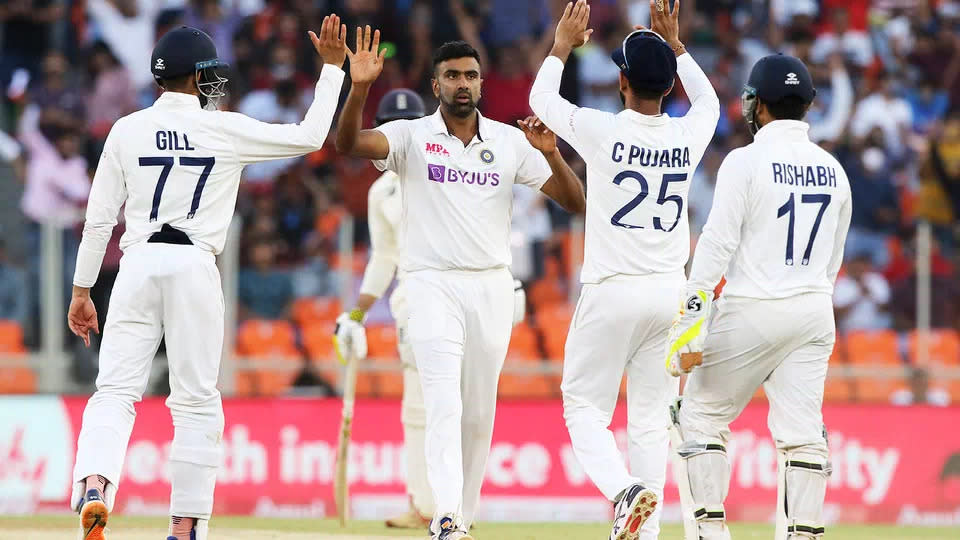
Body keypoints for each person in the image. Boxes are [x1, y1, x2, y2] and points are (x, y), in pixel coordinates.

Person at [66, 19, 350, 540]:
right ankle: (185, 523)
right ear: (197, 78)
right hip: (195, 265)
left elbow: (98, 220)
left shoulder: (125, 130)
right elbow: (311, 137)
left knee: (114, 392)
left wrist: (83, 290)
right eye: (210, 75)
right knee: (195, 401)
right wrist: (332, 69)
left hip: (138, 264)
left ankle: (95, 486)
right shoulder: (223, 127)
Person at [335, 27, 586, 540]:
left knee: (478, 414)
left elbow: (576, 203)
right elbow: (349, 144)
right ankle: (445, 514)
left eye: (471, 75)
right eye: (452, 76)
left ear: (481, 83)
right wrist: (359, 89)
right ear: (436, 85)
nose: (463, 83)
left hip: (491, 286)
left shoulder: (510, 141)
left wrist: (553, 153)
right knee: (443, 402)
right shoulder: (411, 138)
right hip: (430, 284)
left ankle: (461, 520)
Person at [529, 1, 719, 539]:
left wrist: (563, 44)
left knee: (582, 407)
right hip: (671, 292)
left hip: (613, 289)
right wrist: (678, 46)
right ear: (667, 88)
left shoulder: (602, 130)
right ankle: (647, 530)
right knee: (650, 420)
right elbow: (709, 101)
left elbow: (540, 100)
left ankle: (623, 492)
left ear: (621, 81)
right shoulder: (687, 134)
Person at [665, 53, 851, 540]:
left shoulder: (744, 161)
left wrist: (689, 322)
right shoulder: (833, 169)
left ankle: (710, 533)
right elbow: (833, 259)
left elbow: (716, 245)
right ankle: (802, 535)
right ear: (808, 105)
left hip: (753, 308)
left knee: (700, 416)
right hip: (813, 311)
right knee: (803, 436)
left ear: (759, 106)